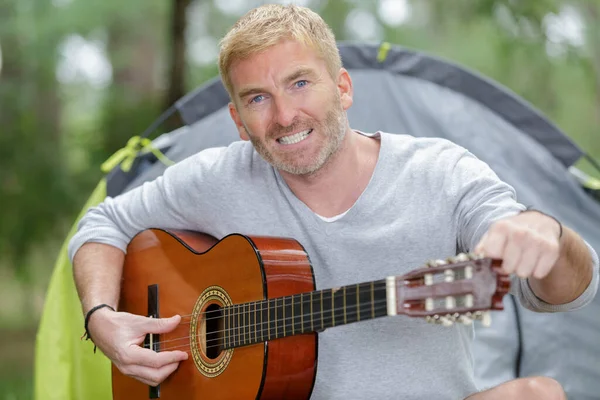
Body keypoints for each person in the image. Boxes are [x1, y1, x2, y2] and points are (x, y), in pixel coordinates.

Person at [68, 4, 598, 399]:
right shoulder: (217, 178)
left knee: (538, 395)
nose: (284, 116)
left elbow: (571, 290)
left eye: (300, 83)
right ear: (237, 120)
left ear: (342, 88)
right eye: (258, 98)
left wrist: (546, 236)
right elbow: (102, 224)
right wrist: (101, 317)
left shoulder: (440, 173)